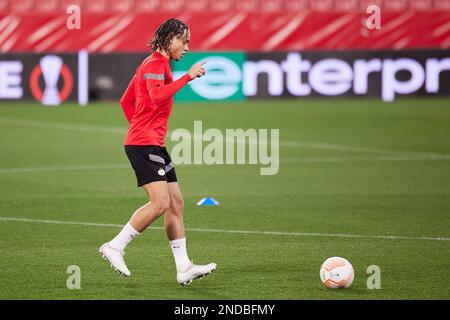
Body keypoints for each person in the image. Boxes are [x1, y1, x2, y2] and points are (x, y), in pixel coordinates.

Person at [99, 18, 216, 286]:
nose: (186, 47)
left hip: (151, 142)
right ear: (170, 38)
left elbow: (126, 100)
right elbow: (155, 97)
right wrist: (188, 77)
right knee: (161, 203)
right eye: (184, 41)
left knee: (176, 203)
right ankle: (115, 246)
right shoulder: (154, 65)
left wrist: (141, 125)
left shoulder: (151, 64)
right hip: (145, 143)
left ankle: (184, 267)